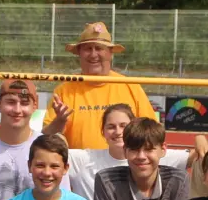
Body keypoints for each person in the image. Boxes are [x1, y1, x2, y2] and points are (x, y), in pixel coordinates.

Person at [43, 22, 157, 150]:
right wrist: (60, 121)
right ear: (79, 53)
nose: (93, 54)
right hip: (80, 167)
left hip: (124, 165)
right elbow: (47, 138)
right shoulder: (64, 91)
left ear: (110, 53)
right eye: (88, 49)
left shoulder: (130, 86)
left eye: (99, 48)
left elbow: (151, 131)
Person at [67, 103, 190, 200]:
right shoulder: (84, 159)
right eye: (111, 127)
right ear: (102, 132)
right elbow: (51, 147)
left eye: (123, 125)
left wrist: (200, 140)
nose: (118, 131)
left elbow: (197, 157)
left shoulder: (155, 155)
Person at [0, 79, 45, 200]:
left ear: (35, 106)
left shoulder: (48, 149)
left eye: (24, 103)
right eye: (11, 102)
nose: (17, 110)